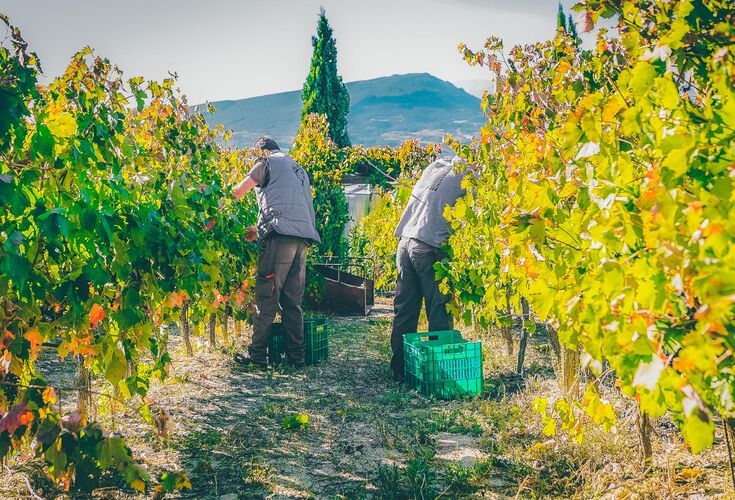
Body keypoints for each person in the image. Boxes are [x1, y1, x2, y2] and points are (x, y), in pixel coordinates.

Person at [232, 136, 321, 370]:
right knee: (292, 301)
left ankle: (258, 356)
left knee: (266, 296)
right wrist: (260, 231)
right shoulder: (299, 170)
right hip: (302, 240)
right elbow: (292, 207)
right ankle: (297, 358)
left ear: (263, 151)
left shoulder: (266, 163)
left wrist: (211, 201)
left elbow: (238, 191)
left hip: (279, 237)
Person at [390, 156, 469, 382]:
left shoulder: (435, 167)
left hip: (405, 242)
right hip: (429, 245)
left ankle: (400, 369)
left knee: (404, 311)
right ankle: (440, 375)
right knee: (439, 309)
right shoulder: (470, 175)